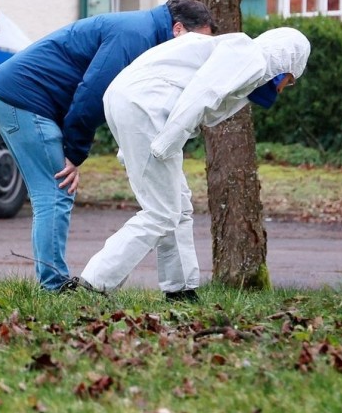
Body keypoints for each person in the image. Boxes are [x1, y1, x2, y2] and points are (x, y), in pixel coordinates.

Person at [0, 0, 214, 292]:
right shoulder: (135, 35)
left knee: (56, 192)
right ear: (178, 29)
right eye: (200, 43)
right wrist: (74, 152)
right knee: (55, 191)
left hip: (26, 98)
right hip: (23, 98)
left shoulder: (144, 33)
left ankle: (53, 283)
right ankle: (53, 288)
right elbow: (93, 94)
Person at [77, 27, 311, 300]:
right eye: (290, 81)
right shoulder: (250, 58)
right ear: (287, 64)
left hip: (136, 101)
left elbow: (197, 101)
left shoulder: (239, 53)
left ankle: (181, 289)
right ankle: (93, 284)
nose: (283, 90)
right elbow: (203, 94)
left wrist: (148, 144)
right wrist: (168, 141)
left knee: (179, 204)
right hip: (148, 108)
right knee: (161, 213)